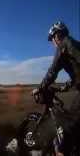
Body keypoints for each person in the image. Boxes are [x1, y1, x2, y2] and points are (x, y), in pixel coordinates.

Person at [32, 21, 80, 156]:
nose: (52, 43)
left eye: (52, 39)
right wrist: (64, 87)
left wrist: (40, 88)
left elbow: (52, 71)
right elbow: (77, 74)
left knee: (69, 128)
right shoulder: (74, 45)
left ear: (57, 35)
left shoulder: (64, 44)